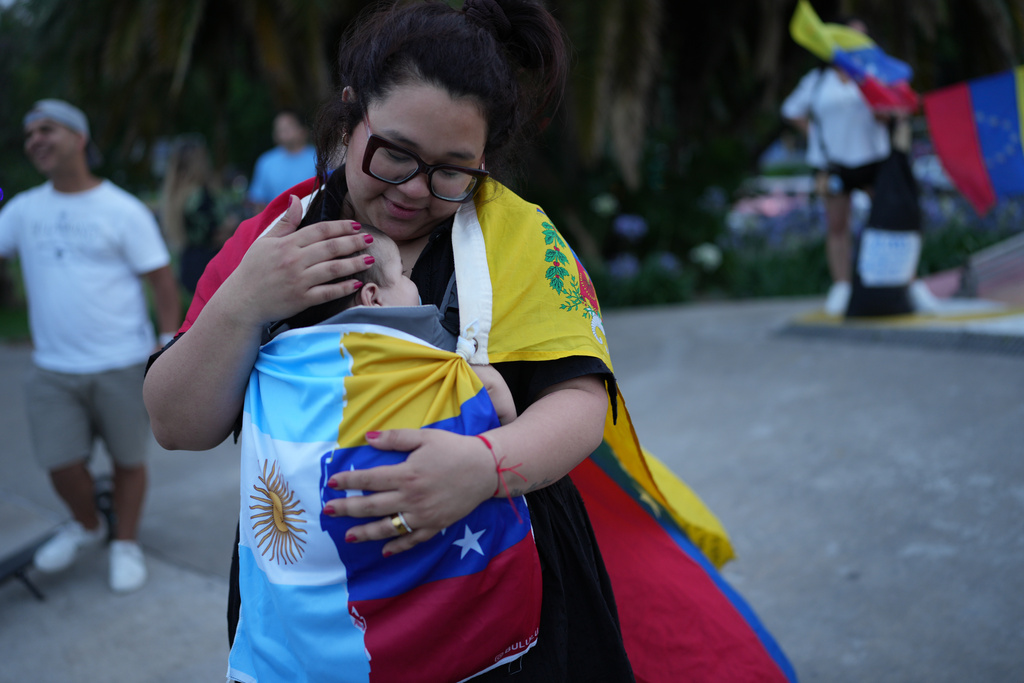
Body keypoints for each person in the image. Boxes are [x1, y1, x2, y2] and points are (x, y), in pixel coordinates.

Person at [144, 0, 636, 680]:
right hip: (313, 621)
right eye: (394, 155)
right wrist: (244, 303)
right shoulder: (274, 239)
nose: (414, 190)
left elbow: (580, 402)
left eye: (452, 171)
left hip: (497, 600)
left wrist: (483, 467)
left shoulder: (517, 235)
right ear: (349, 117)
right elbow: (174, 423)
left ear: (483, 160)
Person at [0, 99, 182, 593]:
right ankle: (86, 525)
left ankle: (125, 542)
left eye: (47, 129)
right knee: (60, 463)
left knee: (128, 462)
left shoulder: (121, 209)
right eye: (29, 132)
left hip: (121, 361)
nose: (35, 139)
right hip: (52, 368)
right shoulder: (21, 210)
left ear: (78, 138)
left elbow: (163, 283)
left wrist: (167, 346)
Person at [781, 18, 890, 316]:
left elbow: (889, 112)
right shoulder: (817, 79)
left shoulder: (874, 74)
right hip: (833, 164)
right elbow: (791, 110)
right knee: (837, 226)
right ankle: (842, 286)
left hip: (873, 159)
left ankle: (891, 282)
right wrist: (815, 136)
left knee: (886, 221)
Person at [160, 136, 242, 293]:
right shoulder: (201, 196)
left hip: (188, 262)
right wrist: (233, 224)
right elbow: (213, 233)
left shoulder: (175, 195)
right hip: (208, 266)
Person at [244, 110, 317, 215]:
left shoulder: (320, 158)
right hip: (277, 223)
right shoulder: (266, 161)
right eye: (279, 128)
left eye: (288, 126)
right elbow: (258, 200)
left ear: (303, 130)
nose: (283, 131)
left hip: (314, 220)